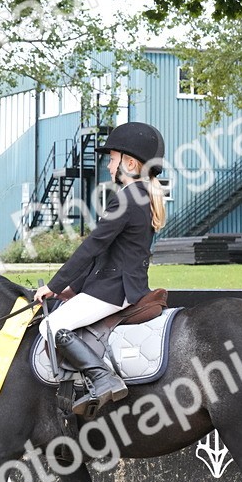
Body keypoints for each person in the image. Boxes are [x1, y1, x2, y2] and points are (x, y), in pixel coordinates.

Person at [34, 121, 168, 416]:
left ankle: (103, 377)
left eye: (112, 159)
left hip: (114, 289)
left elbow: (91, 247)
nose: (108, 166)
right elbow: (107, 253)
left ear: (130, 163)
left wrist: (53, 286)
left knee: (52, 325)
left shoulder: (126, 198)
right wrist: (73, 289)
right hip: (118, 285)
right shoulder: (142, 196)